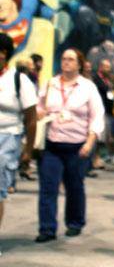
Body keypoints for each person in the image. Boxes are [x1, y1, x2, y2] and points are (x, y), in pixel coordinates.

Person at [35, 48, 104, 242]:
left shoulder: (88, 87)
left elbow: (97, 116)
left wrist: (90, 142)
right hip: (51, 145)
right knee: (48, 187)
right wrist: (40, 112)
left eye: (71, 59)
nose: (66, 62)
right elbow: (39, 105)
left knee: (74, 186)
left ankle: (75, 223)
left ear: (79, 64)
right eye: (64, 58)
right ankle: (47, 229)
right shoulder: (51, 84)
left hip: (77, 146)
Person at [0, 33, 37, 235]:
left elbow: (31, 119)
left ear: (5, 54)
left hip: (8, 137)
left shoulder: (19, 80)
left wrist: (28, 151)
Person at [93, 58, 114, 164]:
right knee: (99, 135)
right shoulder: (96, 80)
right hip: (99, 110)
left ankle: (105, 156)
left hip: (110, 111)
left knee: (109, 135)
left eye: (109, 67)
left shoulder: (110, 80)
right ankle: (96, 158)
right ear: (101, 67)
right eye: (106, 67)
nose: (108, 69)